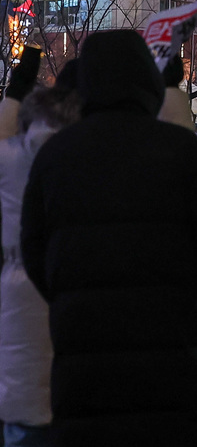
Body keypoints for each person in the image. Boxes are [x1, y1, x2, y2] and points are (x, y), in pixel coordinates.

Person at [21, 30, 197, 446]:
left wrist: (72, 297)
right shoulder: (184, 152)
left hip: (84, 372)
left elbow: (35, 253)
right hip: (175, 369)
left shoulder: (56, 158)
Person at [0, 75, 79, 447]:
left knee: (26, 413)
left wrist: (16, 88)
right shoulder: (92, 161)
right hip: (75, 282)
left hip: (19, 288)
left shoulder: (10, 157)